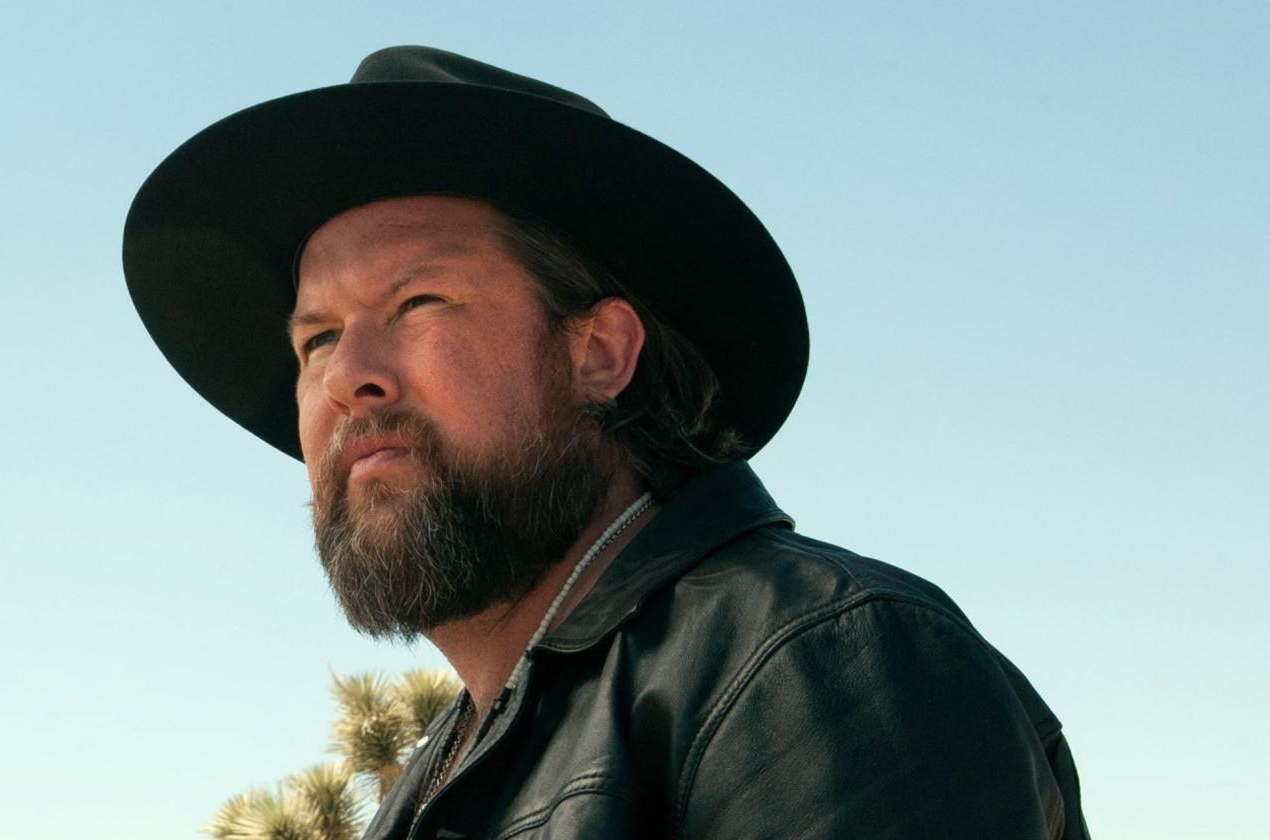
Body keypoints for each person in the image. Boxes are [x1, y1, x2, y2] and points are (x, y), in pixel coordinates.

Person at [124, 46, 1088, 839]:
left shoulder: (812, 666)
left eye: (416, 303)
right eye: (317, 339)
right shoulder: (420, 795)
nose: (346, 377)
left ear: (599, 353)